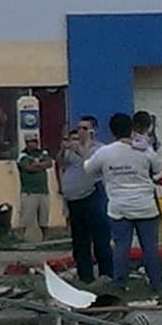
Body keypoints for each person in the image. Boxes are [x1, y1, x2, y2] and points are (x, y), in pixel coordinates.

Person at [87, 111, 162, 298]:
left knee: (121, 247)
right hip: (146, 206)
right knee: (150, 248)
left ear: (111, 131)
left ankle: (120, 285)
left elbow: (88, 169)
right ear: (131, 129)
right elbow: (159, 170)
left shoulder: (105, 152)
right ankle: (157, 284)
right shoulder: (144, 150)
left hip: (119, 208)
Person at [55, 117, 111, 285]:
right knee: (80, 242)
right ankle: (85, 276)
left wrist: (81, 147)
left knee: (100, 239)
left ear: (93, 131)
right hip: (74, 199)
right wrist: (63, 148)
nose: (80, 131)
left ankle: (106, 275)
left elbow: (90, 163)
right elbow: (60, 163)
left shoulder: (100, 149)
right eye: (79, 128)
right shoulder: (72, 148)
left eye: (85, 128)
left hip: (92, 196)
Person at [14, 141, 53, 239]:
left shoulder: (43, 153)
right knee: (26, 216)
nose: (33, 144)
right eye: (30, 142)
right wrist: (41, 165)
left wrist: (37, 165)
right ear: (26, 143)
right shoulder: (22, 156)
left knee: (44, 216)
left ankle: (46, 237)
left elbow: (49, 163)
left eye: (34, 142)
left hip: (43, 190)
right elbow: (28, 168)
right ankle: (20, 236)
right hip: (29, 191)